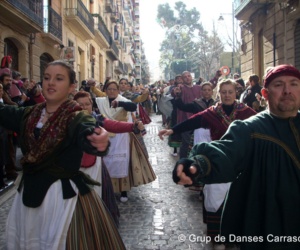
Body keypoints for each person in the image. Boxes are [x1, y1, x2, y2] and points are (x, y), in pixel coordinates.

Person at [173, 64, 300, 250]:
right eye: (279, 85)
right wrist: (198, 164)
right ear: (264, 94)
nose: (287, 90)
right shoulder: (250, 128)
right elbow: (227, 152)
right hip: (270, 226)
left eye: (294, 84)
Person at [1, 60, 125, 249]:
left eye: (59, 79)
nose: (50, 83)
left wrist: (97, 140)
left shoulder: (77, 117)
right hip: (28, 197)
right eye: (47, 78)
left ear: (71, 87)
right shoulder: (28, 114)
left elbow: (86, 131)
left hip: (62, 199)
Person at [159, 79, 256, 249]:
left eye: (230, 92)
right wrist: (173, 130)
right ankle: (217, 236)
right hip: (216, 161)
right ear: (219, 93)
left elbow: (262, 125)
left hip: (241, 162)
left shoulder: (247, 113)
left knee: (239, 198)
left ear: (236, 93)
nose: (227, 95)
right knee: (215, 199)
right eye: (223, 92)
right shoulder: (212, 113)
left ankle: (236, 235)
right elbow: (193, 121)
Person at [74, 90, 144, 225]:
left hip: (95, 167)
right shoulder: (67, 121)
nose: (83, 107)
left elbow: (113, 125)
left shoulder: (96, 118)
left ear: (91, 105)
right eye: (79, 104)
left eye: (86, 104)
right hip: (73, 169)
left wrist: (132, 126)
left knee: (99, 198)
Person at [96, 80, 156, 202]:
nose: (112, 91)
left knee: (121, 162)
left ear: (118, 91)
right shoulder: (100, 101)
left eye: (114, 89)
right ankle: (108, 190)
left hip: (121, 136)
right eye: (109, 89)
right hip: (105, 135)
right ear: (105, 91)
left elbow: (133, 106)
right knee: (106, 162)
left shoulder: (124, 100)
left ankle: (123, 191)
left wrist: (119, 104)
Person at [171, 71, 202, 158]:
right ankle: (183, 162)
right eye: (185, 77)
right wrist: (176, 92)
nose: (187, 78)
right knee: (186, 142)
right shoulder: (181, 88)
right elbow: (175, 92)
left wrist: (216, 77)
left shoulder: (198, 88)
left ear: (191, 77)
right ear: (182, 79)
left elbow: (209, 87)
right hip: (185, 120)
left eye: (189, 76)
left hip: (198, 120)